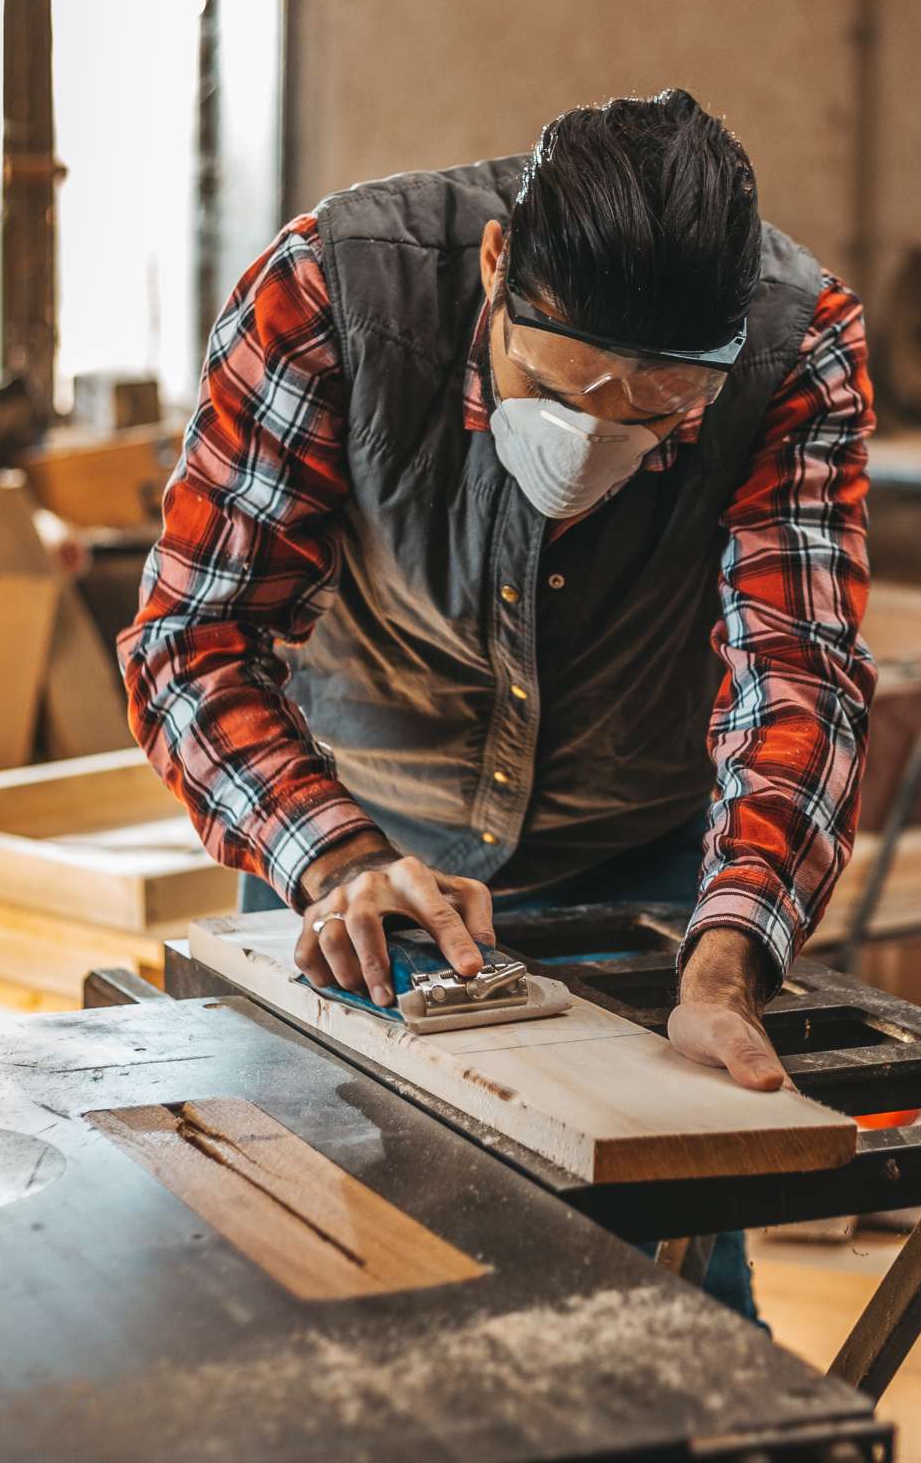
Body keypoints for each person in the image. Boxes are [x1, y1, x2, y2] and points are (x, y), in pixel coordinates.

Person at [119, 90, 875, 1317]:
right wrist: (337, 857)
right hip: (354, 871)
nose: (591, 438)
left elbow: (797, 675)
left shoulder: (798, 347)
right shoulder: (333, 293)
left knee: (657, 1312)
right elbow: (196, 640)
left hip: (635, 871)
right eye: (562, 384)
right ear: (493, 270)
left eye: (653, 411)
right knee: (310, 1273)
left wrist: (727, 963)